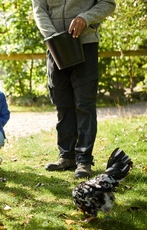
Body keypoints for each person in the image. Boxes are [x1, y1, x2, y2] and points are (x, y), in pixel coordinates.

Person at [32, 0, 116, 178]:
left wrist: (85, 18)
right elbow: (39, 10)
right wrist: (54, 37)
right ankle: (66, 157)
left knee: (84, 104)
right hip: (55, 46)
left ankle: (84, 160)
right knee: (62, 103)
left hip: (85, 44)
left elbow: (108, 3)